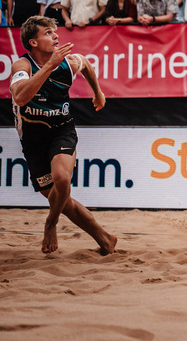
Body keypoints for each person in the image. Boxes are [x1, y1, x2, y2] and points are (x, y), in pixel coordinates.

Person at [10, 16, 116, 254]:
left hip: (61, 129)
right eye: (48, 33)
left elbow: (86, 63)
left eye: (55, 31)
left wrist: (98, 93)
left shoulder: (68, 62)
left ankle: (51, 223)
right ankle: (106, 239)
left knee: (62, 179)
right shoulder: (22, 66)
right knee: (62, 201)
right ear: (33, 42)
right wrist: (49, 66)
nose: (56, 36)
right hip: (33, 139)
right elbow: (20, 97)